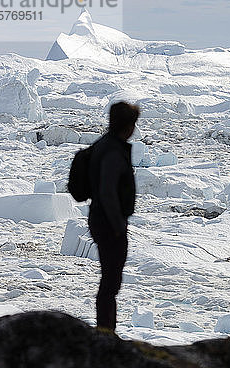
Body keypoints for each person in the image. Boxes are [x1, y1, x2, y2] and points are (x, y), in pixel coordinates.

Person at [88, 101, 139, 331]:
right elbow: (108, 190)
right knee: (110, 281)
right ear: (127, 125)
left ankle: (106, 330)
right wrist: (118, 224)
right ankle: (105, 331)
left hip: (101, 219)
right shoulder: (113, 152)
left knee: (110, 280)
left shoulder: (103, 146)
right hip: (109, 224)